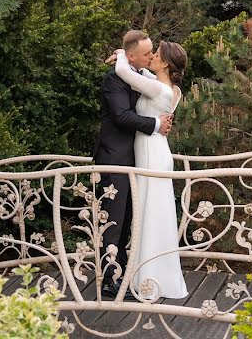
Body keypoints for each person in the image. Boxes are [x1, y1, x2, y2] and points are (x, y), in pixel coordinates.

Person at [92, 30, 173, 299]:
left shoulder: (137, 77)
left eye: (153, 52)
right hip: (114, 158)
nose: (151, 56)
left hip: (137, 159)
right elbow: (122, 116)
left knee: (127, 221)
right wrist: (155, 125)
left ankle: (123, 274)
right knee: (112, 221)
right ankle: (108, 280)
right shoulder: (114, 80)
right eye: (147, 52)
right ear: (132, 56)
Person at [108, 39, 189, 300]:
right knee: (154, 215)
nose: (152, 56)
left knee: (150, 216)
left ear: (165, 62)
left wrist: (122, 55)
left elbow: (123, 72)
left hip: (151, 155)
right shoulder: (172, 90)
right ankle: (150, 276)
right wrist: (128, 56)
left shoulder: (159, 90)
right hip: (155, 151)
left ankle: (149, 279)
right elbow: (139, 73)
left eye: (156, 54)